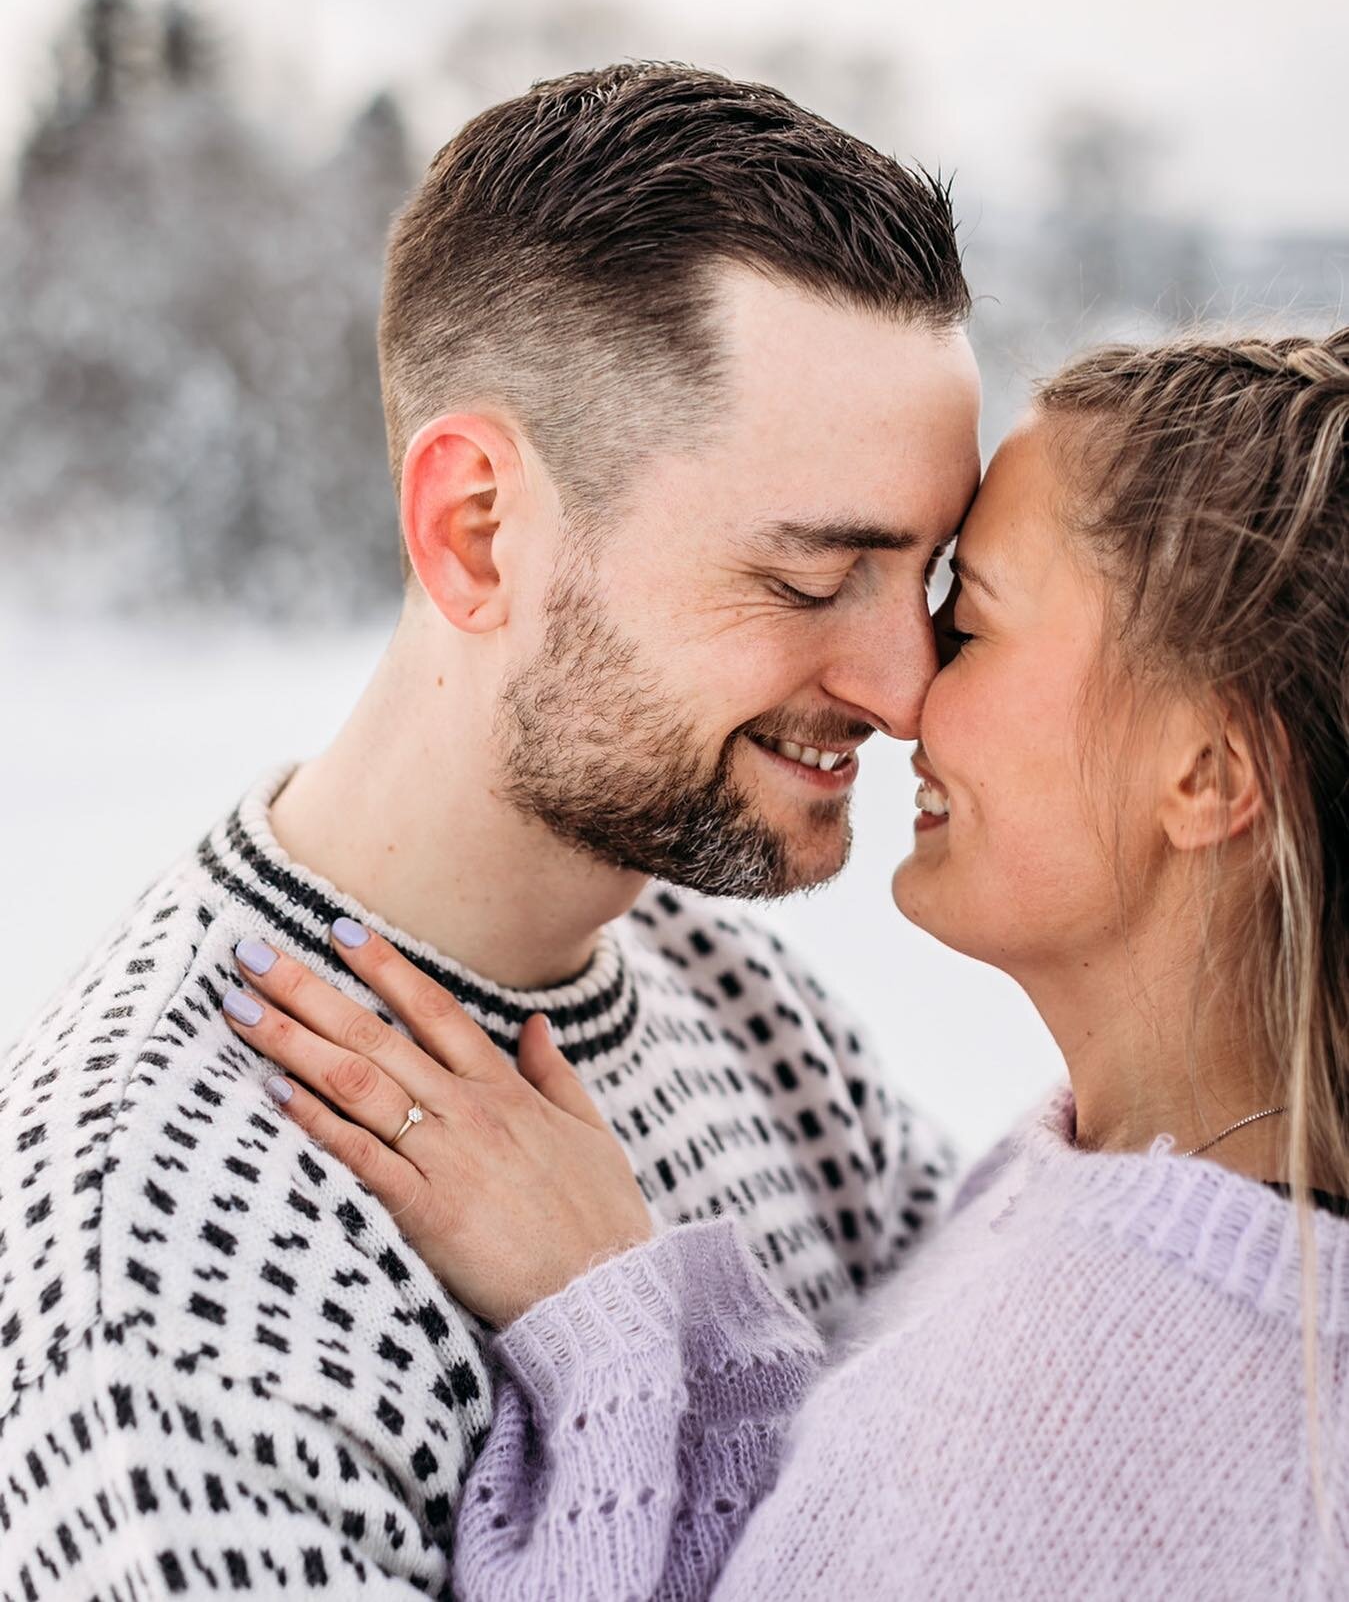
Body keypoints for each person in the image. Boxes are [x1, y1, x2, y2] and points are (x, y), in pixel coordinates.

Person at [0, 64, 982, 1597]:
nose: (906, 689)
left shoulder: (742, 1005)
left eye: (924, 581)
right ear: (479, 528)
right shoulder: (168, 1247)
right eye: (808, 578)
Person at [226, 327, 1349, 1598]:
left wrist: (610, 1321)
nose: (901, 691)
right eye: (816, 581)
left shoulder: (1103, 1410)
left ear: (1202, 773)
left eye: (964, 621)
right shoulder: (1137, 1201)